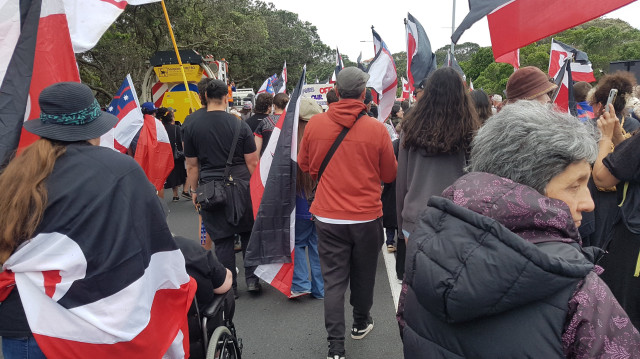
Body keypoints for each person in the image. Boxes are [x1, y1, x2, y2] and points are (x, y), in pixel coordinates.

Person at [401, 101, 640, 358]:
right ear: (526, 188)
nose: (589, 203)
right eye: (574, 186)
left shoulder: (424, 251)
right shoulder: (577, 290)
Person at [0, 82, 195, 358]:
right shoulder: (120, 169)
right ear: (95, 127)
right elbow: (153, 227)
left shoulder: (16, 174)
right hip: (91, 325)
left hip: (24, 324)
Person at [298, 67, 397, 359]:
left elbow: (305, 166)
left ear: (336, 92)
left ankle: (336, 347)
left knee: (334, 281)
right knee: (364, 275)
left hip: (328, 216)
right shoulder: (377, 129)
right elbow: (389, 174)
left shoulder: (315, 125)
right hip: (366, 216)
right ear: (365, 95)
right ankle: (359, 323)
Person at [182, 79, 261, 296]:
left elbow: (192, 165)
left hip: (210, 187)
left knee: (223, 239)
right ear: (226, 97)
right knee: (247, 234)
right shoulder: (239, 124)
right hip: (242, 185)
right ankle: (252, 280)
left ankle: (231, 287)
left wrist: (194, 191)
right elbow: (252, 162)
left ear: (205, 96)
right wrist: (258, 189)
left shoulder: (191, 125)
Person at [396, 67, 480, 241]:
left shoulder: (410, 127)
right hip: (458, 218)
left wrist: (400, 222)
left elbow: (402, 180)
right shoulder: (470, 129)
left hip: (415, 217)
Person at [593, 102, 640, 329]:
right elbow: (631, 163)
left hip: (632, 245)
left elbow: (602, 178)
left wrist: (604, 137)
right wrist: (619, 137)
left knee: (624, 314)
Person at [582, 71, 640, 248]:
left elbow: (602, 178)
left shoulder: (588, 129)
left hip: (626, 223)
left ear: (600, 105)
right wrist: (616, 135)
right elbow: (630, 159)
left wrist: (606, 137)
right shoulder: (634, 126)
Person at [174, 235, 233, 359]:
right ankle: (216, 353)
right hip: (189, 338)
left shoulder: (125, 258)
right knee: (226, 290)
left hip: (143, 342)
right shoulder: (187, 248)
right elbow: (224, 284)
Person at [290, 98, 325, 299]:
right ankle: (320, 289)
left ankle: (301, 283)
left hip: (298, 205)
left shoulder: (290, 143)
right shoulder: (326, 139)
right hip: (321, 204)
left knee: (297, 243)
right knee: (318, 245)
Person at [158, 107, 187, 201]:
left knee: (172, 174)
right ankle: (183, 191)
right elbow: (181, 141)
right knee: (181, 173)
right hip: (177, 155)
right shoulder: (176, 128)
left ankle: (175, 195)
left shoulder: (160, 129)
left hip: (165, 155)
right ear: (172, 118)